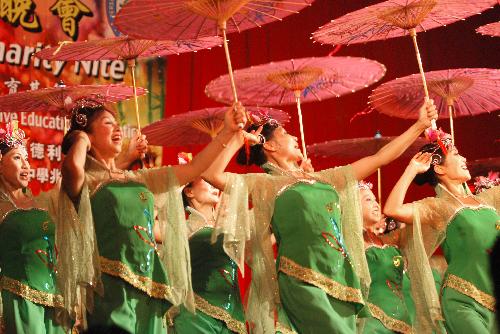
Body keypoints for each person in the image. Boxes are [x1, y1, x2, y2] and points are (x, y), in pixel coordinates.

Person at [203, 101, 437, 333]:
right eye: (285, 133)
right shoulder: (265, 184)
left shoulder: (325, 179)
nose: (294, 137)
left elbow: (381, 158)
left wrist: (419, 125)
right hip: (302, 279)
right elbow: (212, 174)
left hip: (341, 279)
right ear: (270, 146)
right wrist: (233, 137)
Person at [58, 98, 246, 333]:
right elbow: (72, 169)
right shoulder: (90, 182)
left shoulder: (139, 179)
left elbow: (195, 168)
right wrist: (79, 138)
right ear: (89, 136)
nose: (117, 129)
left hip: (150, 284)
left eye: (118, 124)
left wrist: (226, 133)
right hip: (111, 289)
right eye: (108, 123)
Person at [384, 130, 499, 334]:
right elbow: (392, 209)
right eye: (456, 154)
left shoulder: (488, 200)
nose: (464, 158)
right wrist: (412, 169)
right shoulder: (439, 207)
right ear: (439, 168)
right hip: (464, 301)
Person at [0, 121, 66, 334]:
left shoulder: (41, 202)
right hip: (19, 302)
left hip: (54, 298)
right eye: (18, 158)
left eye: (27, 159)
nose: (27, 166)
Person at [358, 181, 412, 334]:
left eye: (376, 200)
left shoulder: (387, 242)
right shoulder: (352, 241)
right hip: (372, 323)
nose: (376, 205)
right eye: (368, 200)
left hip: (403, 321)